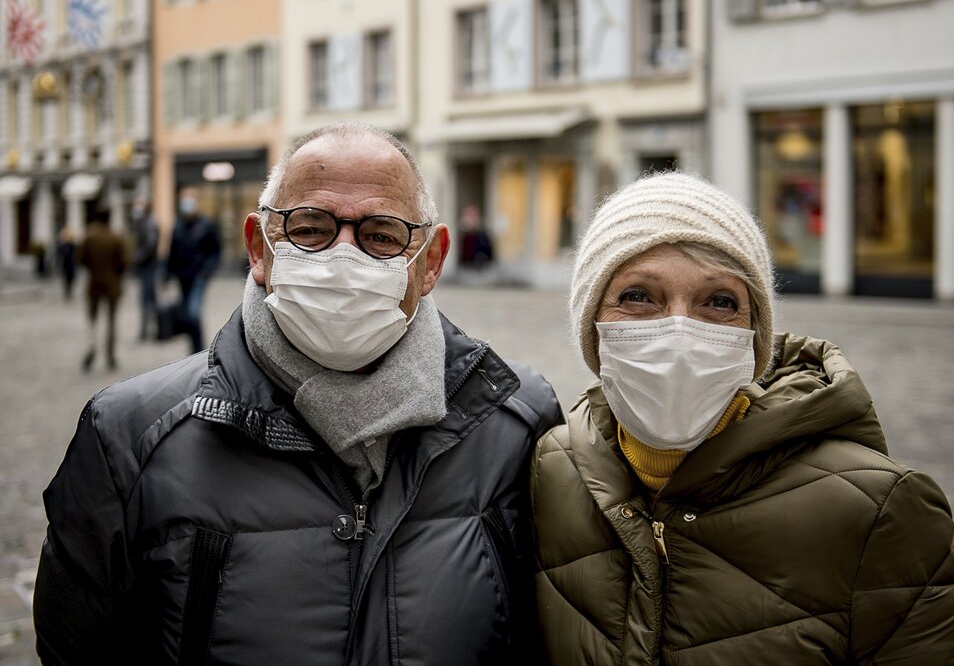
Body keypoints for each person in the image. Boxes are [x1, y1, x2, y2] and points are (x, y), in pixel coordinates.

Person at [33, 122, 563, 665]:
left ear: (429, 262)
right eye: (310, 228)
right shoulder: (128, 437)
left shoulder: (516, 421)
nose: (344, 257)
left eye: (381, 235)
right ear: (259, 249)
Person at [531, 172, 954, 664]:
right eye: (638, 296)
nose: (680, 330)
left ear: (754, 335)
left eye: (720, 301)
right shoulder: (555, 471)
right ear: (592, 327)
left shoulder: (879, 509)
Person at [166, 185, 221, 352]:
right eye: (184, 199)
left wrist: (207, 270)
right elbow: (172, 252)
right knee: (187, 314)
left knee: (193, 311)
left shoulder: (205, 225)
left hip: (199, 275)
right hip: (183, 276)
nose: (187, 203)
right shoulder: (178, 226)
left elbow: (215, 250)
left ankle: (198, 349)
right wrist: (166, 277)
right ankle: (194, 348)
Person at [77, 206, 129, 371]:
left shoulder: (89, 237)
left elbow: (80, 259)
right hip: (113, 284)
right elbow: (124, 262)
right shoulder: (116, 237)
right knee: (111, 321)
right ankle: (110, 354)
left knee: (93, 320)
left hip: (94, 284)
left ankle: (92, 347)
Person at [130, 195, 160, 339]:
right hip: (146, 267)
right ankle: (151, 329)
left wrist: (136, 258)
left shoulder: (149, 223)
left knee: (147, 299)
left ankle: (148, 330)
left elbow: (150, 245)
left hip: (149, 267)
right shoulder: (142, 223)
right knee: (149, 299)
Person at [458, 203, 494, 269]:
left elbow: (490, 254)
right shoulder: (464, 236)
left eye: (472, 216)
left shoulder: (483, 235)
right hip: (466, 269)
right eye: (468, 216)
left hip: (481, 268)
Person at [55, 225, 77, 301]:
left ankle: (68, 292)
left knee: (69, 279)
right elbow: (59, 255)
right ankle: (68, 293)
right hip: (67, 265)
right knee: (68, 279)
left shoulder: (72, 245)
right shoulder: (64, 246)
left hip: (70, 264)